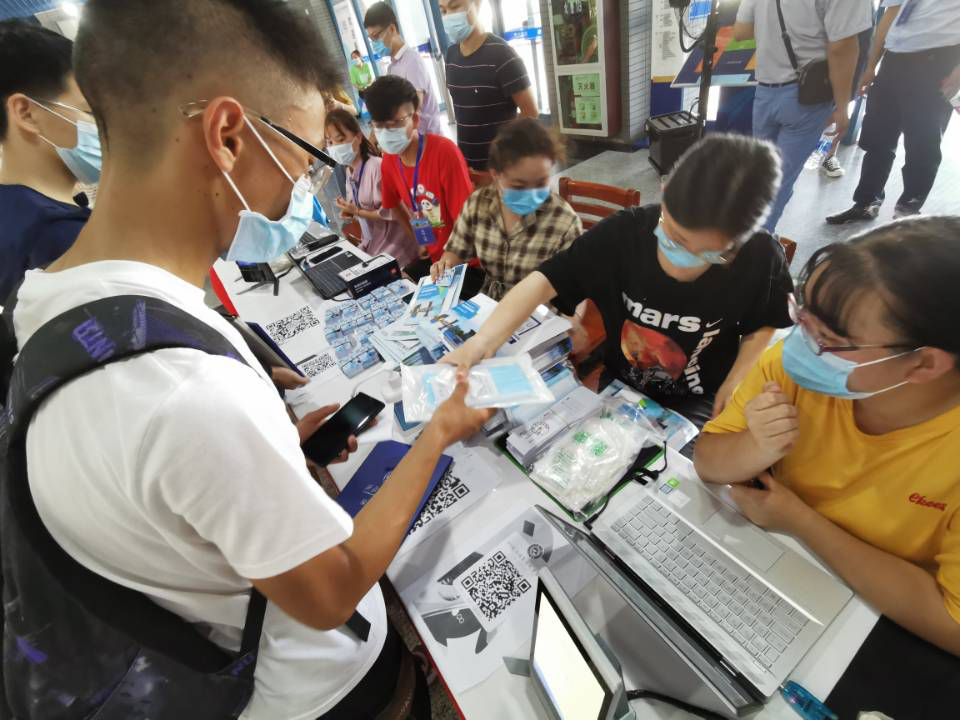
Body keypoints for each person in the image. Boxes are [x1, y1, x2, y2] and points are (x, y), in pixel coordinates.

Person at [11, 2, 491, 718]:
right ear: (228, 137)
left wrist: (271, 450)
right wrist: (438, 434)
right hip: (314, 692)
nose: (304, 189)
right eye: (304, 159)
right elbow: (331, 594)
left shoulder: (55, 301)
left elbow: (168, 496)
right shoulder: (184, 393)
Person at [694, 216, 960, 657]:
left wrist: (801, 521)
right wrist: (755, 446)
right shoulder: (793, 368)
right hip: (770, 571)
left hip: (877, 623)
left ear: (924, 364)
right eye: (801, 317)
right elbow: (708, 460)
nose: (800, 343)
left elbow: (951, 624)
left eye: (828, 339)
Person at [446, 134, 794, 429]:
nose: (678, 261)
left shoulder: (760, 256)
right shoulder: (624, 233)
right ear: (664, 191)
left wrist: (738, 378)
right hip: (621, 383)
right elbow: (544, 281)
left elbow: (764, 321)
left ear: (734, 245)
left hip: (698, 398)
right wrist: (481, 342)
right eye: (673, 235)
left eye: (704, 254)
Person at [734, 0, 873, 232]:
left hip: (765, 91)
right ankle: (754, 244)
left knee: (759, 174)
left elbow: (741, 31)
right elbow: (842, 46)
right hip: (806, 96)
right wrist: (842, 106)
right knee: (777, 182)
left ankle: (744, 234)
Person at [827, 1, 960, 224]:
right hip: (894, 59)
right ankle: (866, 202)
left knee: (922, 147)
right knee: (877, 139)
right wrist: (871, 65)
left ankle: (906, 215)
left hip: (938, 63)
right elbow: (890, 15)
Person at [0, 20, 100, 304]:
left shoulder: (11, 211)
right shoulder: (63, 235)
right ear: (27, 114)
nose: (106, 127)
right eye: (90, 112)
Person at [430, 118, 581, 301]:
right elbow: (457, 250)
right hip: (489, 303)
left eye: (541, 182)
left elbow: (576, 287)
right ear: (496, 175)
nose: (532, 193)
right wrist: (445, 265)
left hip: (539, 309)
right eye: (519, 185)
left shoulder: (564, 222)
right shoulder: (478, 204)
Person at [364, 75, 483, 295]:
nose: (386, 133)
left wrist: (448, 260)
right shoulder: (389, 159)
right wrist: (418, 240)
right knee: (394, 292)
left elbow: (467, 222)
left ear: (415, 120)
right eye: (379, 126)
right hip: (434, 259)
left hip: (467, 262)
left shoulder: (444, 153)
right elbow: (393, 204)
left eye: (395, 123)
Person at [439, 0, 539, 170]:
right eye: (443, 11)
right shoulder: (451, 54)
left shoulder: (502, 54)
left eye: (455, 7)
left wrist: (505, 155)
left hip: (501, 168)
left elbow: (531, 113)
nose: (448, 16)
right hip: (467, 165)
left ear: (477, 4)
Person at [325, 108, 420, 268]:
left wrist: (358, 212)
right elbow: (361, 204)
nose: (334, 147)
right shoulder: (350, 171)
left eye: (340, 139)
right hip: (373, 244)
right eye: (329, 142)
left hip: (395, 249)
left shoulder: (377, 167)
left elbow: (393, 211)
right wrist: (350, 211)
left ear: (358, 138)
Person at [363, 2, 445, 137]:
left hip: (428, 140)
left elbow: (414, 108)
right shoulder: (392, 67)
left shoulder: (412, 61)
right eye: (371, 39)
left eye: (376, 36)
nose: (374, 44)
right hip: (412, 140)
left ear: (392, 29)